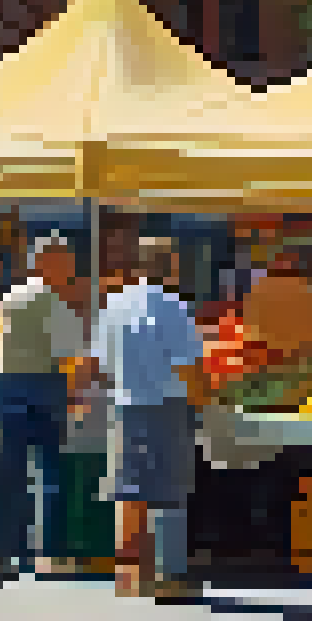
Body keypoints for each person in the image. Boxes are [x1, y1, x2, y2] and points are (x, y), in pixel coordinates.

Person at [94, 237, 207, 601]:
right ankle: (169, 575)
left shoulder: (115, 305)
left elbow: (103, 363)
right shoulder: (174, 307)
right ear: (169, 264)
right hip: (167, 403)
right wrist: (207, 400)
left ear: (137, 266)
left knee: (130, 491)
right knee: (168, 491)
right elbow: (190, 366)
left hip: (126, 402)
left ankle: (131, 575)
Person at [0, 235, 88, 584]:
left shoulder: (10, 297)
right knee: (50, 473)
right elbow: (72, 359)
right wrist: (80, 394)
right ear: (47, 264)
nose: (69, 268)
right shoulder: (54, 302)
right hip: (43, 387)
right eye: (64, 261)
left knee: (2, 474)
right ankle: (48, 555)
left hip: (5, 386)